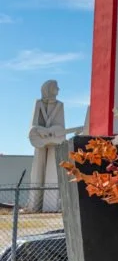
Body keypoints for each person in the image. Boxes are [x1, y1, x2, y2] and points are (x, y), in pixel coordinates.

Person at [27, 80, 67, 212]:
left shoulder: (60, 105)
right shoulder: (38, 103)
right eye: (56, 87)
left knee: (52, 169)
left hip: (53, 141)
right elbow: (33, 125)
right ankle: (34, 204)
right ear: (49, 89)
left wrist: (54, 136)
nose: (58, 89)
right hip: (39, 140)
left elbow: (61, 128)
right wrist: (41, 131)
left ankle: (50, 206)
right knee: (38, 167)